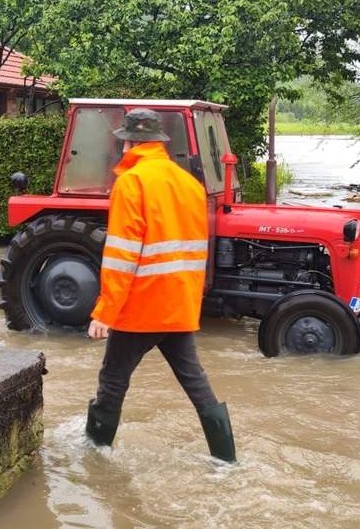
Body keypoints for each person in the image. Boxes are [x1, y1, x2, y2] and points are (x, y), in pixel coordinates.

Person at [85, 108, 236, 463]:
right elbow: (198, 250)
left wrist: (105, 313)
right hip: (179, 305)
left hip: (141, 308)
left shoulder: (131, 182)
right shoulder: (190, 185)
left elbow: (122, 255)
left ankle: (94, 456)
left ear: (128, 143)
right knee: (196, 383)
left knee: (112, 382)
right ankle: (227, 460)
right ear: (159, 143)